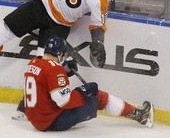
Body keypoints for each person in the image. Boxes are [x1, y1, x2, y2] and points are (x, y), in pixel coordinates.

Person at [24, 36, 154, 131]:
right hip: (54, 121)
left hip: (36, 121)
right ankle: (138, 114)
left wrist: (64, 71)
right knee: (97, 96)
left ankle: (135, 113)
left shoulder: (34, 62)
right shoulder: (54, 69)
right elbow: (63, 101)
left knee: (87, 94)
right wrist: (83, 91)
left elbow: (46, 80)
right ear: (59, 53)